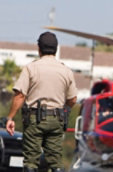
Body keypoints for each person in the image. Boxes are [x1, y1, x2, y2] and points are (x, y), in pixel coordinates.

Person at [5, 32, 78, 172]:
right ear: (56, 49)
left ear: (39, 48)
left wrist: (10, 117)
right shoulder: (66, 70)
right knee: (55, 160)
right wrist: (64, 111)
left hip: (35, 119)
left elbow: (20, 95)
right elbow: (73, 99)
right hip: (57, 119)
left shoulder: (31, 68)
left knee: (31, 161)